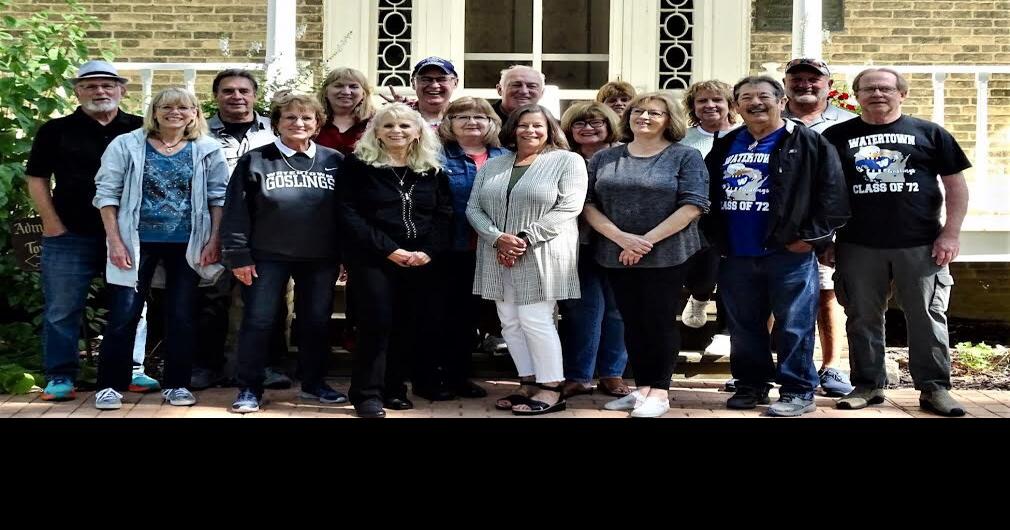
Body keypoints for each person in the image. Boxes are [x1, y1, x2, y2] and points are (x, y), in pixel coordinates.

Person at [823, 68, 971, 416]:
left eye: (886, 88)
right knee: (861, 317)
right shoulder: (836, 136)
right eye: (869, 88)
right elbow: (825, 193)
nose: (878, 94)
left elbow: (955, 186)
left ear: (901, 94)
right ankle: (868, 384)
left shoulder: (930, 133)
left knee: (927, 317)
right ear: (856, 95)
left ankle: (935, 388)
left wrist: (950, 233)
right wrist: (827, 239)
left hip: (920, 243)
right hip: (857, 243)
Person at [703, 76, 848, 417]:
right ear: (736, 107)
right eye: (746, 97)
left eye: (764, 96)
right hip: (737, 253)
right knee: (744, 325)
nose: (756, 103)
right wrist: (715, 239)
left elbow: (834, 195)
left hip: (788, 254)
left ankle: (798, 390)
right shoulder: (725, 145)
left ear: (781, 101)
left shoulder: (809, 143)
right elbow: (706, 193)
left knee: (794, 325)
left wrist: (812, 238)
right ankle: (751, 384)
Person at [92, 87, 229, 410]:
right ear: (154, 112)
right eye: (166, 106)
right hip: (134, 240)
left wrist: (214, 240)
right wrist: (114, 239)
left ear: (195, 113)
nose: (175, 112)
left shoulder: (207, 148)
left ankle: (177, 384)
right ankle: (110, 386)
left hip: (187, 242)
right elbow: (106, 194)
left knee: (181, 315)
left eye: (184, 107)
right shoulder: (126, 144)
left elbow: (218, 197)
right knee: (124, 313)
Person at [583, 93, 709, 418]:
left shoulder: (686, 156)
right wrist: (621, 239)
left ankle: (660, 392)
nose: (645, 117)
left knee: (658, 321)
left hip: (667, 254)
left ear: (670, 120)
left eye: (655, 112)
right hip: (616, 253)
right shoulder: (605, 158)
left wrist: (644, 242)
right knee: (632, 322)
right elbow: (588, 204)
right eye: (638, 111)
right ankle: (641, 389)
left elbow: (694, 204)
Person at [26, 60, 145, 401]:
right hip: (70, 233)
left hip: (127, 233)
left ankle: (132, 370)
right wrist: (50, 221)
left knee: (131, 304)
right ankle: (61, 375)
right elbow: (36, 177)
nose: (100, 91)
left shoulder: (139, 129)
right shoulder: (55, 130)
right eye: (91, 85)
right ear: (77, 91)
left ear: (122, 90)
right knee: (63, 307)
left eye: (108, 85)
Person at [221, 92, 345, 413]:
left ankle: (314, 384)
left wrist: (347, 254)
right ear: (276, 123)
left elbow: (347, 212)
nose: (298, 123)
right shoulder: (256, 159)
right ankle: (249, 387)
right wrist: (238, 255)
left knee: (315, 322)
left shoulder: (335, 161)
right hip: (265, 256)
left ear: (318, 124)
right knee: (259, 321)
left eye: (306, 117)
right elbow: (236, 211)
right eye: (290, 117)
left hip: (320, 257)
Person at [467, 104, 587, 416]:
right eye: (523, 125)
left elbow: (569, 207)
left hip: (542, 252)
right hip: (497, 252)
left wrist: (523, 238)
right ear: (512, 129)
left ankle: (551, 387)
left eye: (537, 125)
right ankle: (528, 380)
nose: (529, 131)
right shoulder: (495, 164)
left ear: (550, 130)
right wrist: (497, 238)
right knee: (509, 321)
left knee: (536, 319)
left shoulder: (567, 161)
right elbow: (473, 208)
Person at [335, 103, 452, 418]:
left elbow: (444, 215)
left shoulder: (431, 169)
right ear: (376, 131)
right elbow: (348, 213)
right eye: (388, 126)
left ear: (417, 132)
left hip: (421, 260)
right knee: (376, 323)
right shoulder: (357, 165)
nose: (396, 131)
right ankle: (366, 394)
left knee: (408, 324)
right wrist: (389, 249)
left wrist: (428, 251)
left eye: (404, 126)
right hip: (373, 258)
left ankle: (395, 388)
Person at [190, 68, 286, 391]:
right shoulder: (200, 133)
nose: (236, 97)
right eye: (228, 91)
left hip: (265, 227)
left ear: (254, 96)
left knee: (267, 299)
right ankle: (206, 366)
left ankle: (271, 366)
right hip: (214, 224)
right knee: (212, 298)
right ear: (216, 96)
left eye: (243, 91)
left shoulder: (274, 131)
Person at [782, 57, 858, 397]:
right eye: (796, 78)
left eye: (814, 79)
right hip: (780, 226)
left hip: (827, 224)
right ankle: (778, 365)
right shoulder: (772, 119)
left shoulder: (848, 124)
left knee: (828, 296)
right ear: (785, 84)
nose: (805, 84)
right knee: (777, 297)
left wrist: (836, 231)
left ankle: (832, 367)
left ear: (829, 85)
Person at [431, 97, 509, 400]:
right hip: (449, 249)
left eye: (480, 116)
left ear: (492, 123)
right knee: (441, 315)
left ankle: (460, 376)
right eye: (462, 116)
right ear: (448, 122)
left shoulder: (506, 157)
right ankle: (435, 376)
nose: (471, 121)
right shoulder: (436, 156)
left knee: (469, 318)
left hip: (492, 249)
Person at [556, 101, 630, 399]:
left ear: (609, 124)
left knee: (616, 310)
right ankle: (579, 374)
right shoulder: (561, 158)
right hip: (576, 246)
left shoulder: (626, 155)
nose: (588, 128)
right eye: (580, 123)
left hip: (619, 243)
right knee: (583, 310)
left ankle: (612, 374)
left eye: (596, 122)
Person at [678, 80, 739, 361]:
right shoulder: (683, 138)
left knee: (730, 272)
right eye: (702, 101)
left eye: (717, 100)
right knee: (703, 271)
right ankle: (700, 296)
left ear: (730, 105)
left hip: (736, 215)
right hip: (694, 217)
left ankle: (725, 332)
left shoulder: (745, 136)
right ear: (693, 107)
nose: (710, 105)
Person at [316, 67, 376, 155]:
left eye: (353, 87)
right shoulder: (311, 119)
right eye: (338, 86)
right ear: (325, 91)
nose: (346, 92)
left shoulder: (376, 121)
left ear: (364, 93)